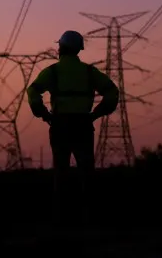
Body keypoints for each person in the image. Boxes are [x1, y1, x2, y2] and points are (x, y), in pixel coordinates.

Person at [26, 30, 120, 213]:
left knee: (61, 172)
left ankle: (62, 216)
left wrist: (44, 114)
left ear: (60, 48)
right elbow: (112, 93)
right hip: (83, 125)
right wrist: (96, 114)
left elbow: (32, 92)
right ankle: (90, 214)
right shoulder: (89, 72)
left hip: (60, 124)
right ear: (79, 49)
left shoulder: (52, 71)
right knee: (87, 172)